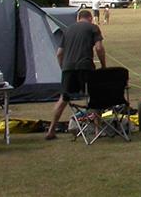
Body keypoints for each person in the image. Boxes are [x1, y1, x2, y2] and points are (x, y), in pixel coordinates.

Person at [45, 9, 106, 140]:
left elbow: (59, 53)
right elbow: (99, 48)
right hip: (85, 67)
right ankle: (97, 130)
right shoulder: (93, 28)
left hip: (68, 68)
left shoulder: (67, 30)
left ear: (78, 18)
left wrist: (63, 67)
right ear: (90, 18)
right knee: (94, 96)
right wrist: (103, 66)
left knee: (63, 99)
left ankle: (51, 130)